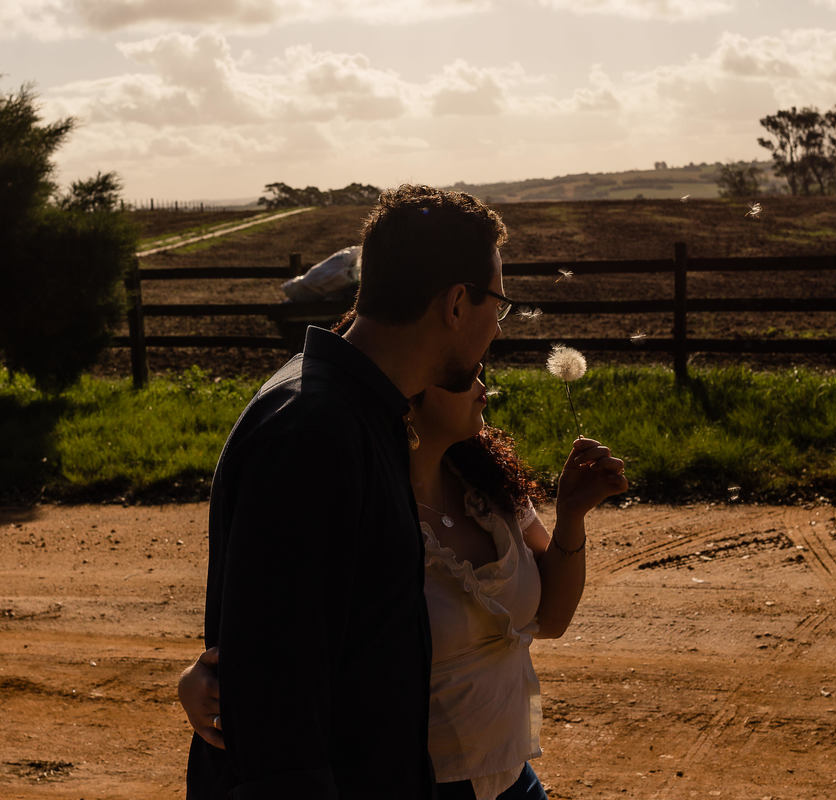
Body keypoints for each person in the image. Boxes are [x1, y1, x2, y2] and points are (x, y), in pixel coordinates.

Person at [186, 184, 513, 799]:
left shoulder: (366, 413)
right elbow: (279, 695)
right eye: (499, 302)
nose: (499, 325)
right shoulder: (314, 431)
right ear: (456, 303)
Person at [181, 372, 629, 799]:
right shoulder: (359, 497)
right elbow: (292, 630)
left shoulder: (487, 480)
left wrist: (571, 516)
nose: (482, 385)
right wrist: (209, 679)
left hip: (513, 777)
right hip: (420, 784)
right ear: (412, 394)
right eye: (464, 375)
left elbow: (551, 618)